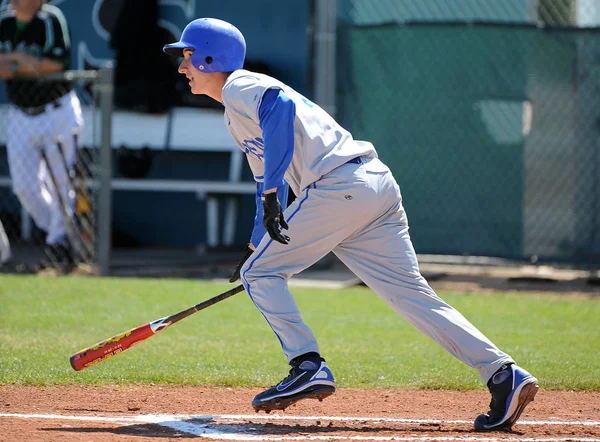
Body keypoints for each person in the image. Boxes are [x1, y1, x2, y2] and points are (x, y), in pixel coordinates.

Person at [163, 18, 539, 431]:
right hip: (371, 186)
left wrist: (270, 216)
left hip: (338, 185)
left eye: (187, 57)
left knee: (264, 275)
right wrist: (255, 249)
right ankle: (503, 373)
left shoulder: (239, 86)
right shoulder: (235, 115)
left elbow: (280, 110)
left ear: (209, 57)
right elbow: (262, 181)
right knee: (411, 296)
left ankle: (307, 364)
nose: (183, 67)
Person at [0, 0, 83, 269]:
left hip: (56, 111)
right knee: (25, 187)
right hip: (22, 114)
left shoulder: (50, 18)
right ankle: (60, 236)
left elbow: (56, 63)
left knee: (61, 183)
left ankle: (58, 244)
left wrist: (11, 64)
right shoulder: (4, 23)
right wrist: (22, 63)